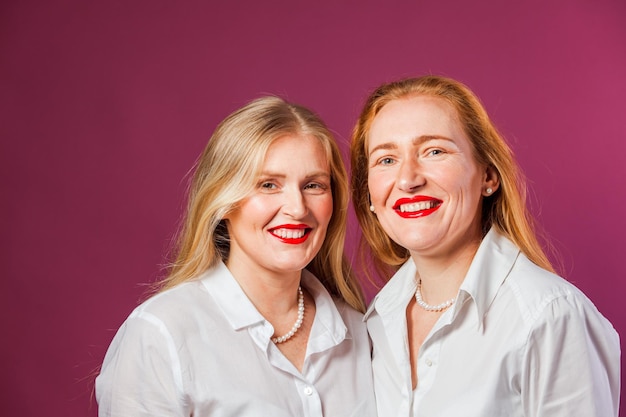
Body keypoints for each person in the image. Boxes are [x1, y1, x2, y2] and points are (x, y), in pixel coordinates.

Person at [350, 75, 620, 416]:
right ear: (370, 195)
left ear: (488, 177)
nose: (408, 179)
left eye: (434, 151)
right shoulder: (374, 324)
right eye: (386, 160)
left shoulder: (550, 316)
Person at [96, 96, 376, 416]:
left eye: (313, 185)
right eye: (268, 184)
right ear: (224, 200)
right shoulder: (162, 334)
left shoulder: (360, 331)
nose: (297, 208)